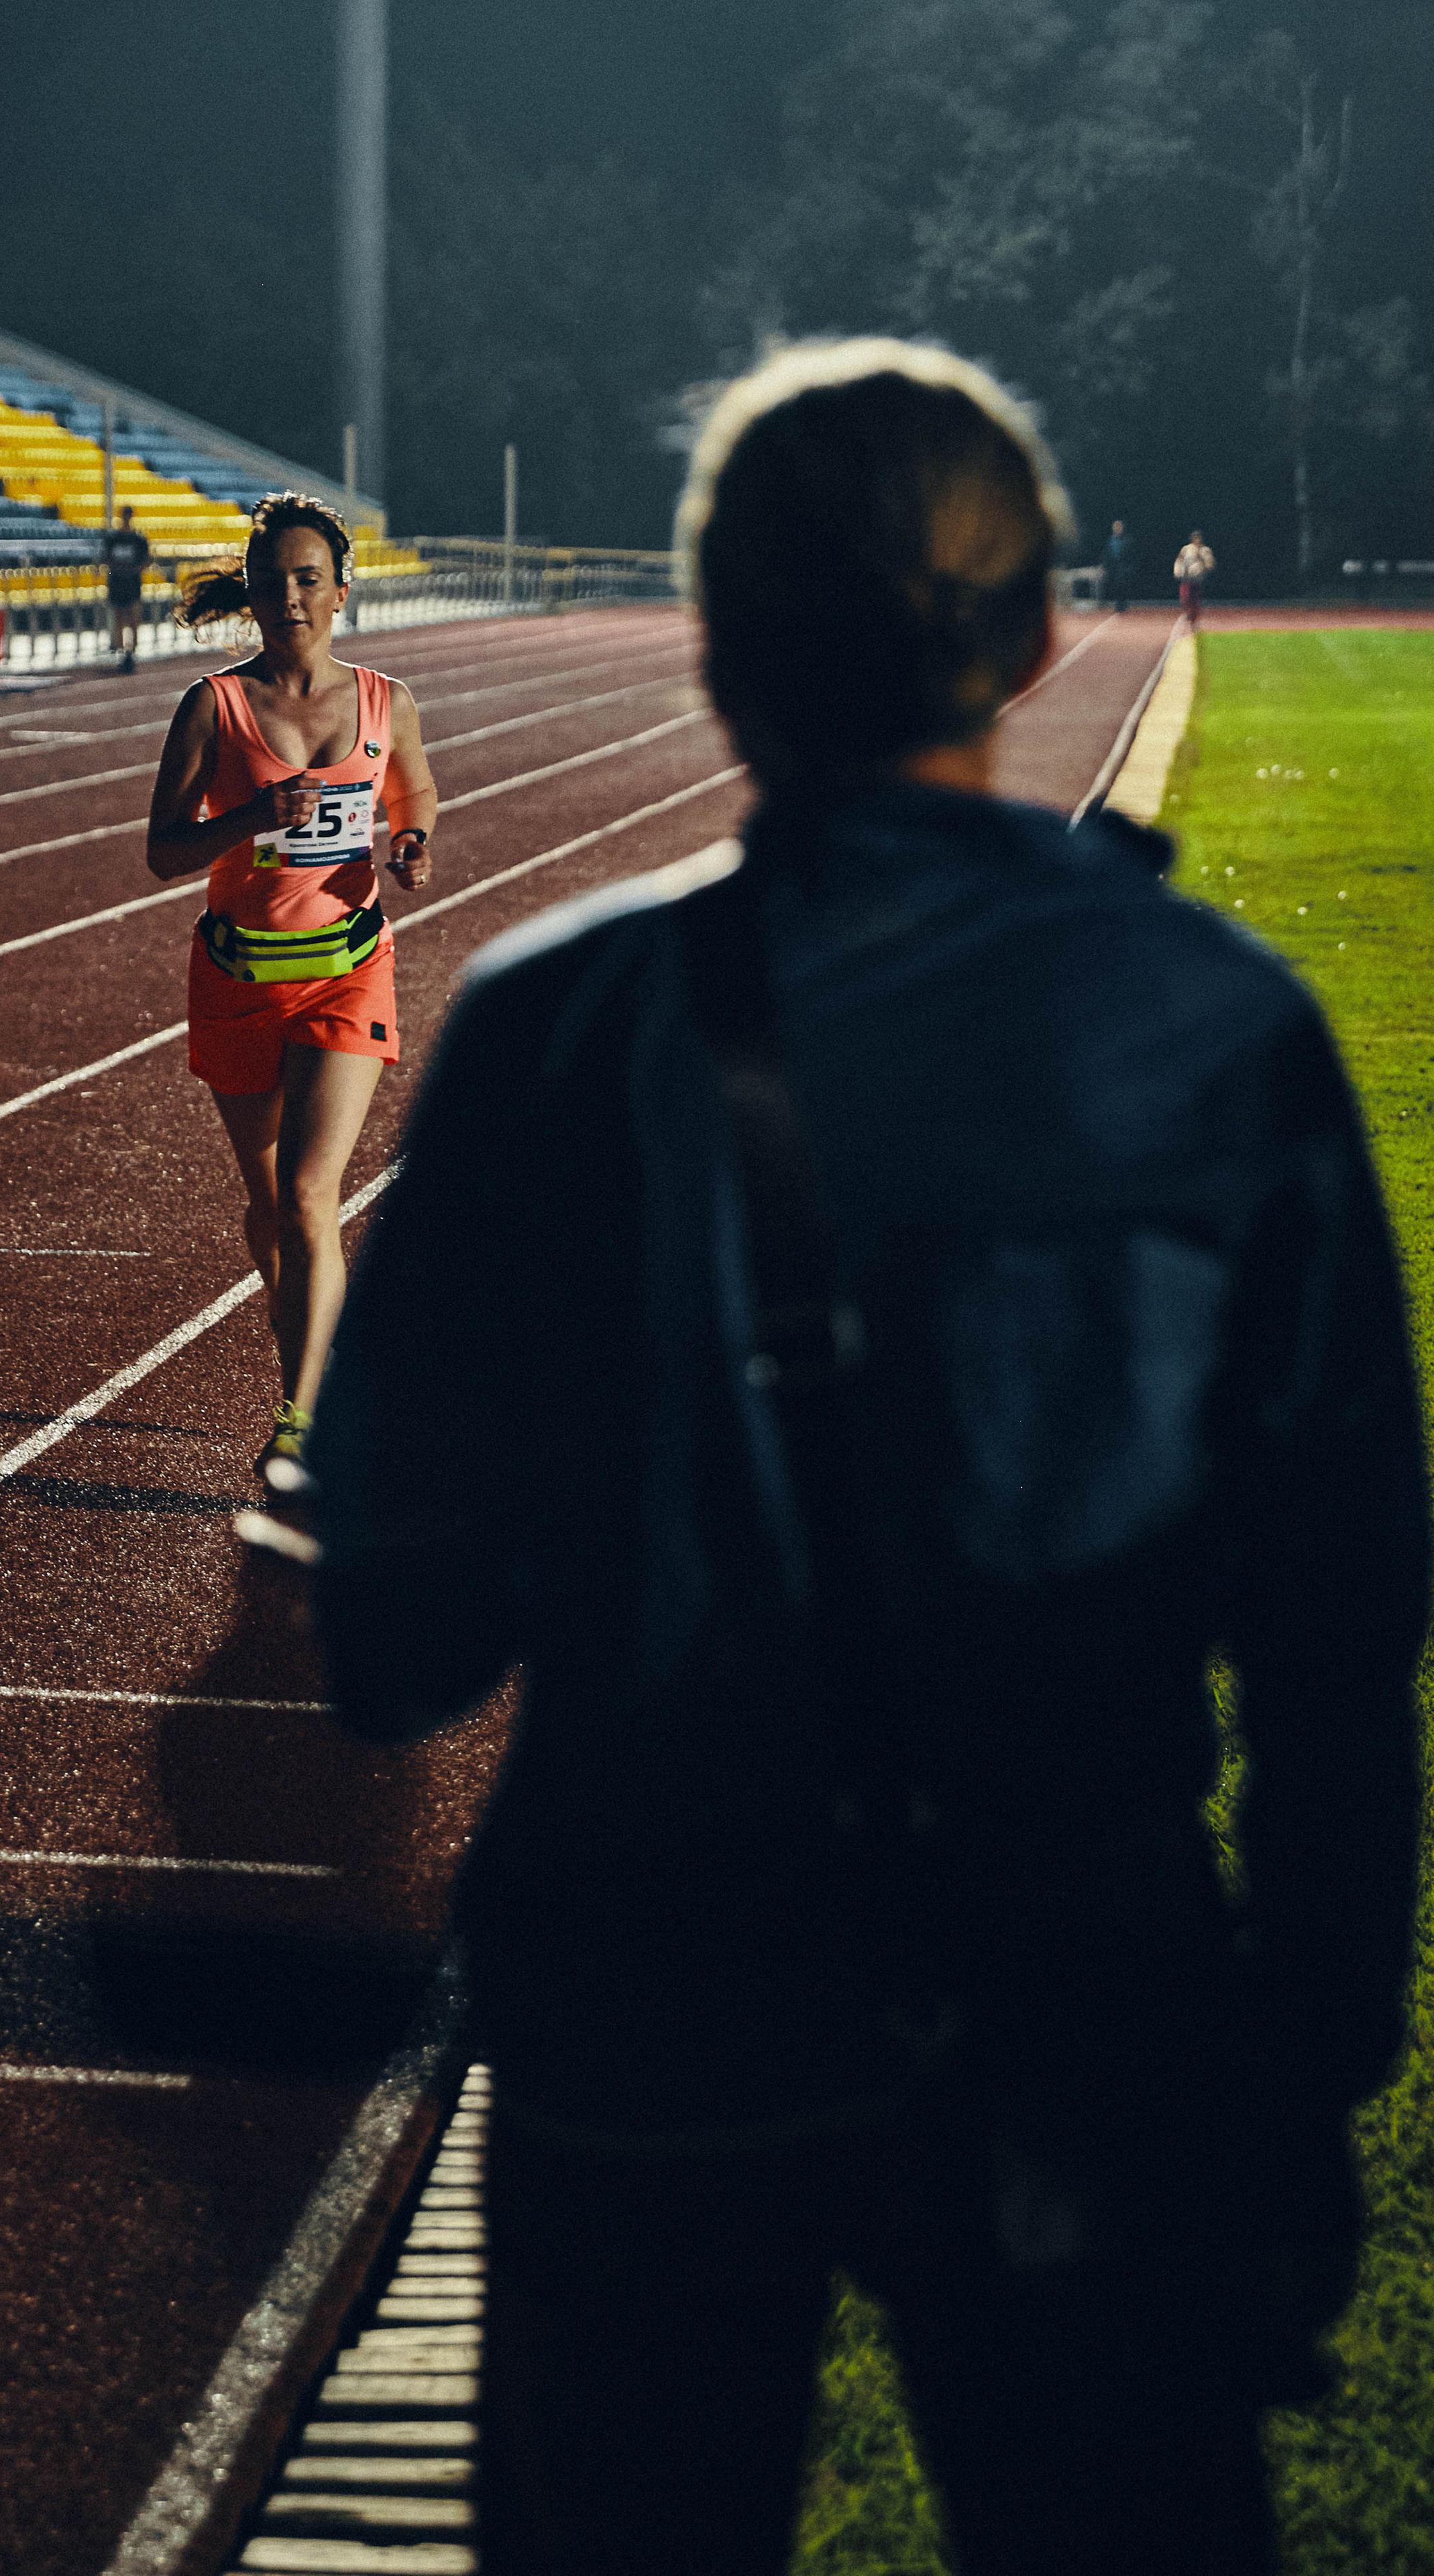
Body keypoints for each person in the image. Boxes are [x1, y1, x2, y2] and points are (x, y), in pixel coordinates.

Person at [309, 341, 1429, 2575]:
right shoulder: (1221, 1027)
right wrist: (1290, 2089)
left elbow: (393, 1638)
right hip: (1082, 1983)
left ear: (716, 655)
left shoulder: (549, 1024)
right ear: (1029, 640)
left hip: (647, 1992)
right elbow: (1335, 1643)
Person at [146, 490, 436, 1477]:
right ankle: (305, 1332)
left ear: (342, 592)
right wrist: (255, 815)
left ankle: (305, 1421)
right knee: (272, 1206)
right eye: (273, 582)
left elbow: (415, 787)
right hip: (238, 978)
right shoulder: (214, 706)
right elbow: (161, 850)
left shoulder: (386, 700)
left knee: (315, 1195)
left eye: (309, 579)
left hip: (349, 970)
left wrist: (414, 838)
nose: (291, 596)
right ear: (253, 595)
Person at [101, 502, 153, 670]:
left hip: (132, 583)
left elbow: (147, 560)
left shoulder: (138, 539)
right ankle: (122, 652)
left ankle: (132, 653)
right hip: (117, 582)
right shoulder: (113, 538)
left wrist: (132, 571)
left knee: (132, 619)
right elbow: (106, 559)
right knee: (120, 619)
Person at [1174, 527, 1215, 622]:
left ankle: (1193, 615)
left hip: (1198, 578)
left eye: (1198, 538)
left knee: (1195, 600)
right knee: (1185, 598)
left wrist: (1201, 560)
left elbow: (1210, 565)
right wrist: (1178, 570)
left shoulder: (1206, 551)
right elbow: (1180, 559)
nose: (1197, 540)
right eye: (1195, 538)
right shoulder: (1186, 549)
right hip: (1187, 577)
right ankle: (1188, 612)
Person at [1100, 515, 1134, 610]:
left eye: (1119, 527)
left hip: (1123, 566)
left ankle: (1123, 603)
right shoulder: (1110, 541)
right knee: (1115, 586)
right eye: (1116, 527)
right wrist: (1105, 566)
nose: (1117, 529)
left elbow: (1132, 555)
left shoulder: (1128, 540)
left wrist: (1130, 567)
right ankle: (1118, 603)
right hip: (1113, 567)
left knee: (1123, 585)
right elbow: (1106, 554)